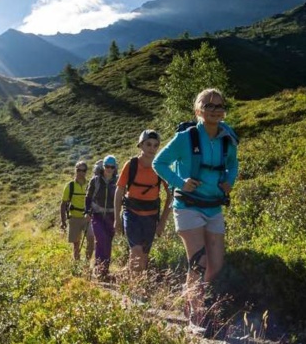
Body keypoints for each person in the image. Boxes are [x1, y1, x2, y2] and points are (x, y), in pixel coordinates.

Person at [152, 88, 238, 331]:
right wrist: (181, 183)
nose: (215, 110)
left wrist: (229, 182)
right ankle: (197, 316)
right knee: (199, 261)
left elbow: (233, 165)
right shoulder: (186, 138)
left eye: (219, 105)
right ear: (198, 110)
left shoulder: (227, 138)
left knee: (216, 264)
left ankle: (199, 304)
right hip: (188, 206)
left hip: (213, 207)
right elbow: (159, 162)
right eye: (209, 105)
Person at [114, 130, 172, 274]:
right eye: (148, 144)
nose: (151, 149)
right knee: (137, 251)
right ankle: (134, 291)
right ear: (140, 145)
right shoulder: (131, 165)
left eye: (155, 145)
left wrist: (163, 221)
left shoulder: (160, 167)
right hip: (131, 214)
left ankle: (137, 283)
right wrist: (117, 219)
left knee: (144, 255)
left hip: (151, 217)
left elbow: (171, 194)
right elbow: (119, 191)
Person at [85, 155, 118, 280]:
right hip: (97, 215)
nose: (109, 169)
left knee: (108, 242)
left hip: (112, 216)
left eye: (112, 167)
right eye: (107, 166)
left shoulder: (118, 181)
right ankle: (99, 268)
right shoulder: (95, 180)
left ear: (115, 168)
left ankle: (104, 270)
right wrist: (87, 211)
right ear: (103, 167)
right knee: (101, 240)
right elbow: (88, 197)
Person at [60, 161, 94, 261]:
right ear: (75, 170)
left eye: (83, 170)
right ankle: (77, 263)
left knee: (91, 239)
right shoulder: (70, 186)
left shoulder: (89, 185)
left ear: (86, 171)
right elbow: (63, 204)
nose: (80, 172)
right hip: (74, 218)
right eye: (78, 170)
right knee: (76, 244)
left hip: (87, 218)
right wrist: (63, 221)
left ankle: (87, 262)